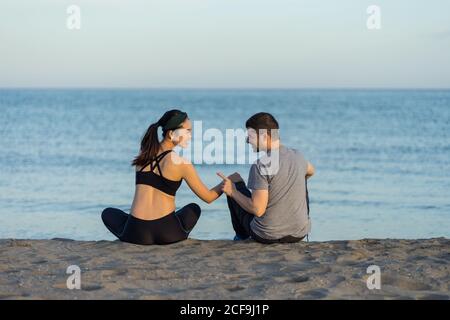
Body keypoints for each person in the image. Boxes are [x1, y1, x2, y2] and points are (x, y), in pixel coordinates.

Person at [102, 110, 223, 245]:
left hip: (136, 233)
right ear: (171, 134)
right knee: (194, 208)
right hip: (167, 233)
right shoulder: (182, 163)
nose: (190, 135)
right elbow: (208, 197)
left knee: (107, 213)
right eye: (187, 131)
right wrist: (226, 184)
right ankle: (175, 232)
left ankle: (131, 232)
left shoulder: (142, 157)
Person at [217, 112, 315, 244]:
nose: (247, 141)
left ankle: (241, 237)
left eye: (250, 136)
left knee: (234, 184)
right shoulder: (298, 156)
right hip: (298, 234)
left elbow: (257, 209)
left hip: (266, 235)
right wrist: (291, 183)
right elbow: (310, 171)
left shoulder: (260, 165)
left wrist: (232, 191)